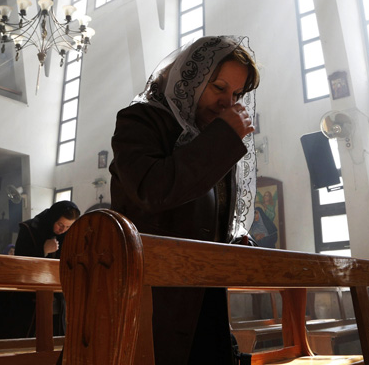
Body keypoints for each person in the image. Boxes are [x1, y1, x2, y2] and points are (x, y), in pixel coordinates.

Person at [109, 35, 260, 365]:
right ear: (189, 78)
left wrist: (231, 238)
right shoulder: (141, 120)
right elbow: (152, 189)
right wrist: (223, 137)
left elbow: (201, 213)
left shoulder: (210, 136)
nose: (227, 102)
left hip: (202, 295)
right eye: (218, 87)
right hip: (152, 297)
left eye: (235, 94)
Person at [0, 200, 80, 341]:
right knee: (19, 337)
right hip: (25, 295)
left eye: (68, 226)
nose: (62, 230)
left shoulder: (68, 235)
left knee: (54, 337)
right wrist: (43, 250)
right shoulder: (30, 228)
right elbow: (20, 262)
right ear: (53, 218)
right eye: (60, 225)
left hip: (55, 293)